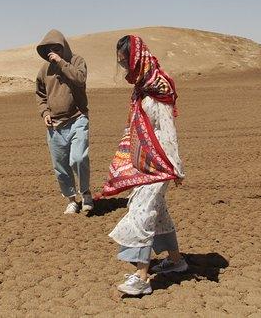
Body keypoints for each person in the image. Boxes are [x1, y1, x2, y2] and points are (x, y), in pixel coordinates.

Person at [99, 35, 186, 296]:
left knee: (141, 211)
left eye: (126, 62)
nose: (124, 68)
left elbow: (167, 129)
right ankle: (176, 260)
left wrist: (175, 166)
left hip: (160, 162)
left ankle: (141, 277)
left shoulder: (157, 87)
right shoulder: (141, 85)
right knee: (157, 212)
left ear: (137, 58)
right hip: (146, 162)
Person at [36, 29, 93, 214]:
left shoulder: (76, 61)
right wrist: (44, 111)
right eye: (49, 50)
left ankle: (85, 193)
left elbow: (80, 78)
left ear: (64, 48)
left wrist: (61, 63)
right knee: (60, 166)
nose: (53, 52)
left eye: (56, 48)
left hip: (77, 118)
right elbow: (40, 95)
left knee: (78, 158)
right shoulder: (44, 70)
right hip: (54, 125)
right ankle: (71, 200)